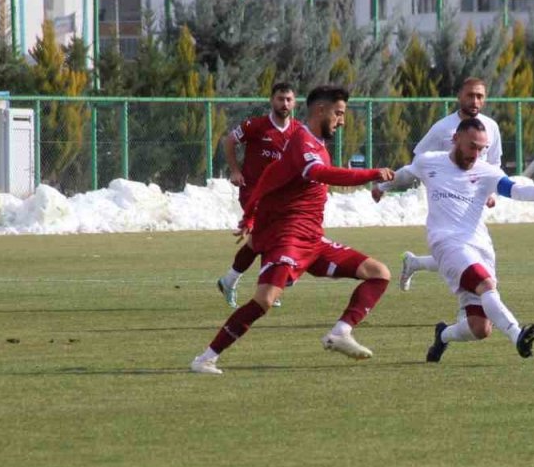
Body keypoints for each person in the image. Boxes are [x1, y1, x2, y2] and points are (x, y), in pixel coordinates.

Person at [190, 85, 395, 375]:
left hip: (313, 241)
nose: (342, 120)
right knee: (264, 300)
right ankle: (205, 358)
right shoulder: (303, 142)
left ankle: (340, 333)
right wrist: (371, 173)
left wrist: (251, 213)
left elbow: (270, 176)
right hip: (289, 238)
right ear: (320, 111)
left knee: (379, 273)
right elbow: (320, 174)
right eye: (338, 113)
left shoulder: (314, 142)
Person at [390, 118, 534, 363]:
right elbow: (405, 174)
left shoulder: (486, 171)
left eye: (482, 148)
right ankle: (516, 334)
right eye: (472, 146)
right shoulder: (429, 162)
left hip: (479, 246)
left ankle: (443, 335)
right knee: (486, 285)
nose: (477, 153)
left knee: (480, 328)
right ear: (455, 139)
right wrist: (381, 186)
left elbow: (514, 190)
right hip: (446, 242)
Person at [373, 77, 503, 292]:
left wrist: (492, 192)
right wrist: (383, 187)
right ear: (459, 96)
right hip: (447, 200)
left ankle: (415, 263)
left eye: (479, 96)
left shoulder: (491, 127)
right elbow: (417, 164)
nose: (474, 100)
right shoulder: (443, 128)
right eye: (470, 95)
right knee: (465, 251)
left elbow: (495, 163)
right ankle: (469, 308)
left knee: (465, 251)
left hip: (475, 199)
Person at [216, 83, 300, 307]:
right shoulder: (256, 126)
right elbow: (229, 141)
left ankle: (231, 281)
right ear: (272, 100)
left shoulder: (298, 132)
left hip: (281, 198)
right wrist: (234, 170)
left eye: (289, 99)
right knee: (272, 237)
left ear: (295, 102)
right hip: (253, 192)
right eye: (281, 99)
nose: (285, 103)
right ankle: (273, 283)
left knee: (262, 240)